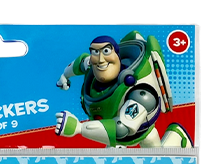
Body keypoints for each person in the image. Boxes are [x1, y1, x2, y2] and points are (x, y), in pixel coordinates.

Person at [54, 32, 191, 149]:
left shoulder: (140, 92)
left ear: (117, 55)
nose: (100, 60)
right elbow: (80, 63)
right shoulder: (92, 66)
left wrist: (78, 128)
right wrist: (64, 77)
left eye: (106, 51)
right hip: (114, 138)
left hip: (139, 133)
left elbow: (121, 129)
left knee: (156, 156)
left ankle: (177, 136)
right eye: (95, 52)